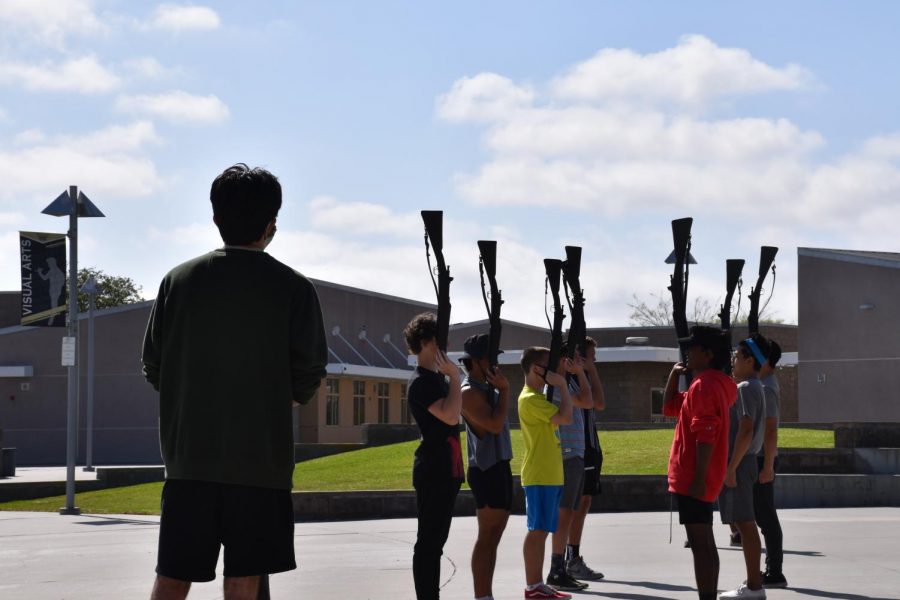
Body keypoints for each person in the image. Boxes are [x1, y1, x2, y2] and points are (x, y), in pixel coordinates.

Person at [141, 163, 328, 600]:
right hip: (261, 465)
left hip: (189, 462)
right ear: (272, 224)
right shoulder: (293, 288)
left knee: (173, 574)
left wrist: (192, 395)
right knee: (245, 577)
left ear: (215, 218)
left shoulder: (178, 281)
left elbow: (153, 366)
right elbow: (309, 374)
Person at [663, 326, 736, 600]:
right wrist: (674, 375)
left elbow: (706, 434)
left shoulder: (704, 386)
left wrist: (698, 479)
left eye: (692, 348)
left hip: (695, 477)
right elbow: (670, 407)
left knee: (701, 545)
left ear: (707, 354)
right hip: (700, 476)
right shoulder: (711, 383)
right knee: (705, 542)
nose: (687, 352)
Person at [405, 313, 464, 600]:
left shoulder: (436, 379)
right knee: (429, 543)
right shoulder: (421, 382)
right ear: (428, 342)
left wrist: (451, 377)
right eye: (442, 339)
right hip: (434, 471)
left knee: (436, 542)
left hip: (446, 470)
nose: (447, 345)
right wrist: (455, 376)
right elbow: (451, 416)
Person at [518, 347, 575, 600]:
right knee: (537, 530)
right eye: (547, 367)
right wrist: (562, 384)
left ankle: (537, 585)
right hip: (539, 474)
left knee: (542, 530)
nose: (552, 372)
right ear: (535, 369)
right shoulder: (530, 399)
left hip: (550, 475)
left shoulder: (538, 398)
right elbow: (566, 417)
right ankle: (533, 587)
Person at [459, 333, 513, 600]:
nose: (496, 364)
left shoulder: (489, 388)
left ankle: (487, 595)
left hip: (501, 464)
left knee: (495, 536)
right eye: (491, 358)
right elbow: (492, 425)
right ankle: (482, 596)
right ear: (478, 361)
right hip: (485, 468)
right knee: (486, 536)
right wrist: (504, 391)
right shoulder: (468, 392)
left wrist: (499, 390)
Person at [718, 334, 771, 600]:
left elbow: (746, 429)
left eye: (737, 356)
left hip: (740, 463)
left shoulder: (745, 388)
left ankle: (753, 587)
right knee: (744, 523)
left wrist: (730, 469)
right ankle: (753, 584)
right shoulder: (755, 386)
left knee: (745, 523)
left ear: (749, 361)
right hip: (746, 461)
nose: (733, 360)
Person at [545, 340, 599, 591]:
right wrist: (577, 373)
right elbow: (588, 402)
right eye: (574, 357)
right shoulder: (556, 386)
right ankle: (557, 569)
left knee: (569, 512)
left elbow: (590, 400)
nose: (578, 362)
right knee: (564, 513)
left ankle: (561, 567)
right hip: (565, 454)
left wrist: (579, 373)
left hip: (575, 453)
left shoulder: (570, 382)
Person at [561, 337, 606, 583]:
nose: (594, 360)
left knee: (584, 501)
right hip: (580, 448)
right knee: (575, 504)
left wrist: (591, 370)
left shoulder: (584, 376)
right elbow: (596, 402)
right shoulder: (572, 379)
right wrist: (587, 370)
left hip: (591, 446)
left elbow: (600, 402)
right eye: (591, 356)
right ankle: (570, 558)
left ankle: (571, 557)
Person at [754, 341, 787, 588]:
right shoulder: (763, 385)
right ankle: (772, 570)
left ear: (765, 361)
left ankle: (775, 572)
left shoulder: (766, 388)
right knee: (763, 515)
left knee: (766, 516)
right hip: (761, 457)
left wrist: (767, 466)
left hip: (763, 458)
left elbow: (771, 429)